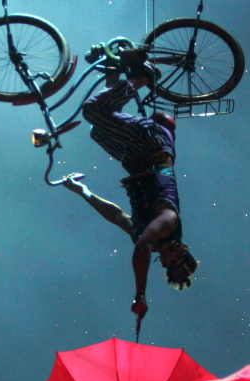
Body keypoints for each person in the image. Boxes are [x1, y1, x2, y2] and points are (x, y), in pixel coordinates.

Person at [62, 60, 197, 323]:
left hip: (133, 159)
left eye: (171, 263)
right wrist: (140, 295)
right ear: (184, 249)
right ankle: (145, 77)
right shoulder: (168, 222)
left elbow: (115, 215)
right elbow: (142, 246)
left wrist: (82, 190)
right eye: (180, 256)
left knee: (97, 131)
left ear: (166, 265)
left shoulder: (144, 235)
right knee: (93, 111)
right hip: (151, 147)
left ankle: (116, 78)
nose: (173, 255)